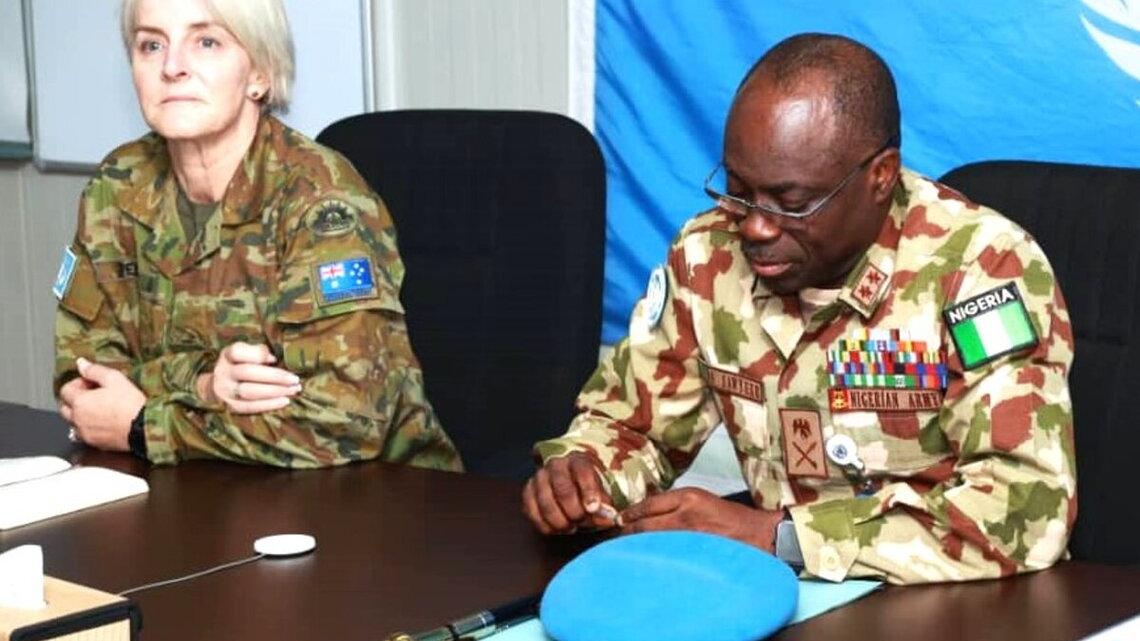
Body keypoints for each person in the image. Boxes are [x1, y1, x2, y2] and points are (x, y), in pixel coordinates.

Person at [522, 33, 1075, 584]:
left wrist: (779, 537)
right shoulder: (707, 256)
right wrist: (583, 478)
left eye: (792, 204)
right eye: (738, 190)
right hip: (772, 593)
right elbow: (632, 428)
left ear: (880, 177)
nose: (755, 228)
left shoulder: (979, 268)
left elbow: (1025, 506)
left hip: (948, 601)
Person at [53, 0, 462, 471]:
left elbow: (345, 420)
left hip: (379, 493)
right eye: (151, 45)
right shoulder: (117, 184)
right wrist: (206, 386)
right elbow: (83, 382)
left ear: (260, 74)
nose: (172, 67)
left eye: (207, 42)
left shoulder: (320, 201)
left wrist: (147, 426)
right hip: (210, 486)